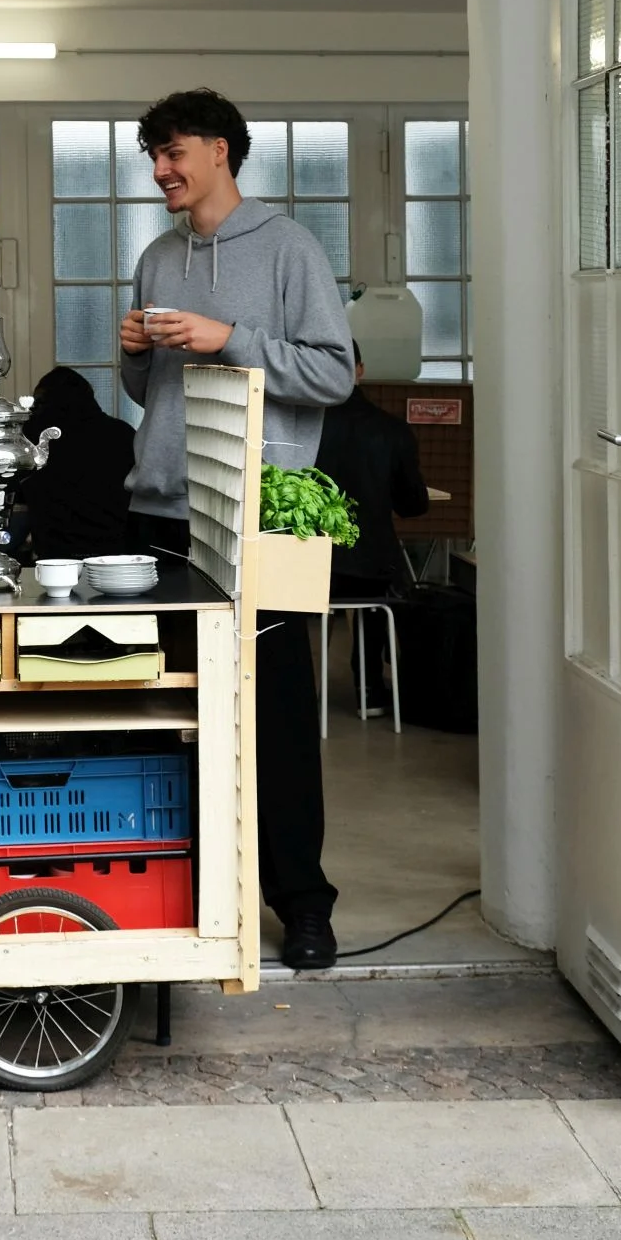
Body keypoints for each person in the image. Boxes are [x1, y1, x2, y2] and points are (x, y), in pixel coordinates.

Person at [118, 88, 354, 970]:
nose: (160, 171)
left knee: (279, 717)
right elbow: (149, 399)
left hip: (260, 520)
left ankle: (301, 903)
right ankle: (171, 889)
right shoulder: (155, 257)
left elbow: (333, 374)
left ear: (220, 151)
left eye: (172, 152)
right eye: (153, 156)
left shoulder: (289, 248)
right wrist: (138, 356)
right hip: (160, 511)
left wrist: (231, 337)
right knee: (162, 713)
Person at [317, 341, 431, 711]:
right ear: (360, 371)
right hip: (372, 569)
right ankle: (369, 689)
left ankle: (301, 690)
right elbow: (413, 506)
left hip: (310, 569)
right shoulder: (392, 431)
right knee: (382, 581)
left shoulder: (303, 429)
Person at [15, 367, 135, 561]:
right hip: (114, 552)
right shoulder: (122, 433)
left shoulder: (30, 436)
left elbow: (17, 497)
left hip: (53, 555)